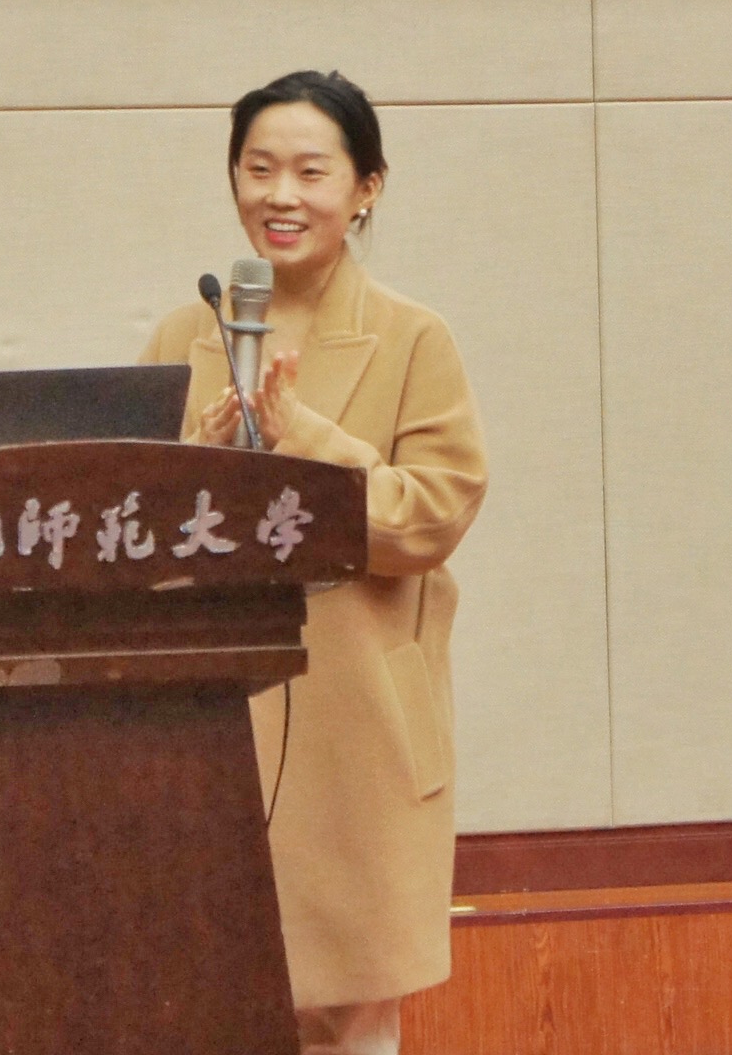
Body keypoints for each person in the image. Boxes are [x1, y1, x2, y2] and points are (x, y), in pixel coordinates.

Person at [136, 71, 489, 1055]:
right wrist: (198, 462)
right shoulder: (185, 334)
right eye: (258, 169)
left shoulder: (414, 336)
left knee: (351, 1011)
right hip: (210, 723)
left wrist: (308, 439)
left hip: (355, 721)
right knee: (213, 1002)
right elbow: (133, 526)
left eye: (309, 171)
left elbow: (433, 514)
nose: (279, 195)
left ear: (365, 187)